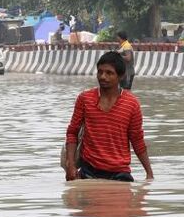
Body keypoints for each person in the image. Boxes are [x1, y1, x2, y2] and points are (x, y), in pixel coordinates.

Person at [64, 51, 153, 183]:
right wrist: (70, 164)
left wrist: (149, 173)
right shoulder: (85, 99)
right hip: (89, 172)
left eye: (109, 73)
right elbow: (72, 132)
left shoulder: (132, 104)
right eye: (100, 72)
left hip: (120, 174)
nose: (103, 77)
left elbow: (137, 140)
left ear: (120, 76)